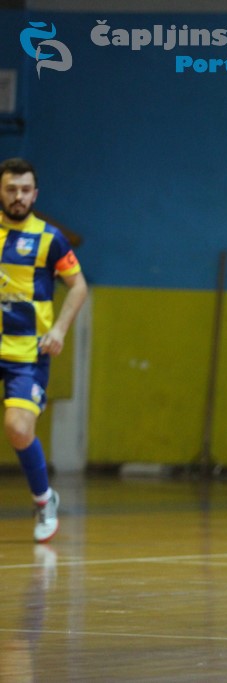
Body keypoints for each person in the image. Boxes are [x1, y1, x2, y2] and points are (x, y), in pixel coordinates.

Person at [0, 157, 88, 543]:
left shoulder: (50, 239)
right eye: (11, 189)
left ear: (35, 194)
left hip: (28, 353)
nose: (18, 196)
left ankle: (43, 500)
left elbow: (79, 286)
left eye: (25, 190)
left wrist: (59, 330)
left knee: (18, 428)